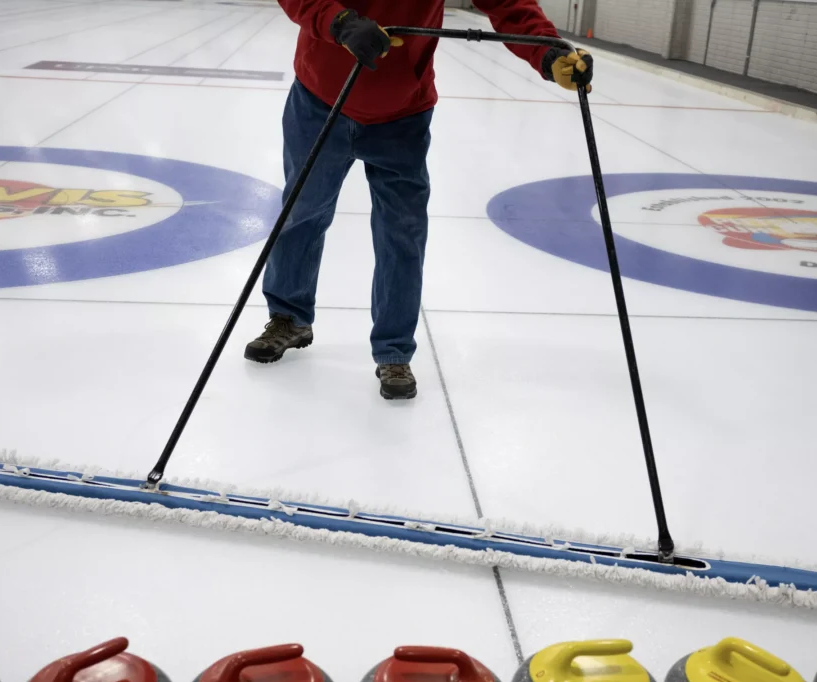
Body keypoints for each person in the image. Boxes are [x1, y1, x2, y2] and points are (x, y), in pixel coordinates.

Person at [245, 2, 593, 399]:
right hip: (320, 99)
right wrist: (338, 22)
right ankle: (288, 317)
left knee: (402, 232)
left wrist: (547, 51)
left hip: (402, 113)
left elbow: (508, 3)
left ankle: (394, 348)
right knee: (302, 212)